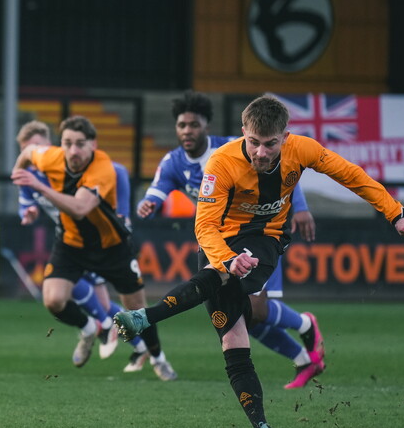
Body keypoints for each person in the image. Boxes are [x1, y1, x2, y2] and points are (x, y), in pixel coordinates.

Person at [114, 95, 404, 428]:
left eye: (271, 144)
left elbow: (351, 175)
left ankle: (146, 317)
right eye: (254, 143)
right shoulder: (221, 163)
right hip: (220, 246)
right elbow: (205, 226)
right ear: (244, 132)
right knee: (234, 342)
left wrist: (396, 213)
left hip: (265, 240)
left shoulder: (303, 150)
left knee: (242, 294)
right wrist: (226, 258)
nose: (262, 153)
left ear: (285, 136)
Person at [136, 91, 325, 389]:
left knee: (256, 310)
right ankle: (304, 359)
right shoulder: (172, 162)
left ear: (206, 126)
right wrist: (148, 204)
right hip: (222, 244)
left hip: (259, 234)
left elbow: (282, 172)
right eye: (182, 125)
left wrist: (300, 208)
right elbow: (154, 194)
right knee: (245, 317)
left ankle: (305, 325)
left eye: (194, 124)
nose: (187, 131)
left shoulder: (236, 148)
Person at [11, 116, 173, 378]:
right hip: (71, 244)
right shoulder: (50, 157)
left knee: (137, 311)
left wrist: (37, 184)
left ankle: (158, 358)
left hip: (110, 247)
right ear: (60, 144)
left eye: (80, 144)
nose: (73, 150)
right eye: (68, 143)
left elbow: (80, 208)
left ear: (92, 145)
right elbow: (28, 153)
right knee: (52, 299)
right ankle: (89, 328)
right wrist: (18, 177)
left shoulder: (103, 168)